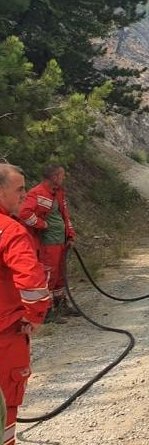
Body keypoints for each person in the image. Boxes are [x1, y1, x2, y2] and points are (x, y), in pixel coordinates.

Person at [0, 164, 53, 444]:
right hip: (5, 338)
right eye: (19, 189)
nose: (24, 195)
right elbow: (32, 284)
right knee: (5, 409)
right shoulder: (9, 231)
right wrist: (35, 316)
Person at [18, 165, 76, 320]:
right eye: (62, 175)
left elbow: (64, 216)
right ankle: (47, 312)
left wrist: (70, 235)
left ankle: (60, 304)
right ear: (55, 177)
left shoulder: (58, 193)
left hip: (60, 241)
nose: (64, 178)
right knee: (49, 276)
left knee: (60, 275)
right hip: (47, 243)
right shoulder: (37, 193)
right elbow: (24, 213)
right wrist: (41, 224)